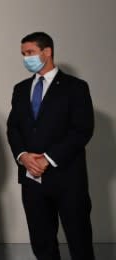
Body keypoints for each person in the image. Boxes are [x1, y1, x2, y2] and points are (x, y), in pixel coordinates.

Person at [6, 32, 94, 260]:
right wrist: (23, 156)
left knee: (79, 242)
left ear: (47, 52)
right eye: (23, 54)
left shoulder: (76, 87)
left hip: (67, 179)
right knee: (42, 242)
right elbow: (13, 128)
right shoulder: (20, 89)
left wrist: (47, 159)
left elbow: (82, 130)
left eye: (30, 53)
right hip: (32, 181)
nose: (26, 58)